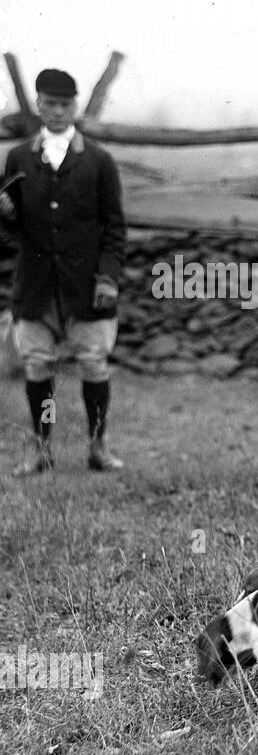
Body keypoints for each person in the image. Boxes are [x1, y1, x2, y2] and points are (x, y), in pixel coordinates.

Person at [0, 68, 127, 476]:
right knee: (38, 367)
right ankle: (41, 448)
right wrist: (7, 214)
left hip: (86, 284)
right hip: (36, 286)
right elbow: (13, 230)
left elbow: (115, 227)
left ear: (75, 107)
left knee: (93, 363)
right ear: (38, 106)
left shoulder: (98, 160)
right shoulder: (19, 157)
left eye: (64, 105)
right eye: (49, 104)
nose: (56, 112)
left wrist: (107, 278)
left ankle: (98, 446)